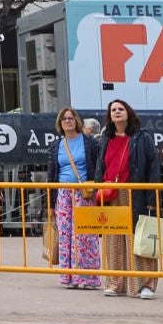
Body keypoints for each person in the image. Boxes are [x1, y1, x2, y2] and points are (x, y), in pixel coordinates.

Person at [96, 99, 160, 299]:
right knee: (113, 241)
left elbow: (153, 167)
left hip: (136, 193)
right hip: (111, 194)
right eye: (113, 109)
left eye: (120, 109)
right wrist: (98, 193)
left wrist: (151, 199)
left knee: (139, 239)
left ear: (128, 112)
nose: (117, 112)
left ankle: (145, 285)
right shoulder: (106, 138)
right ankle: (115, 283)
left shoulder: (142, 137)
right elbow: (100, 166)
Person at [50, 108, 101, 291]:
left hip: (83, 192)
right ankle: (68, 276)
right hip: (63, 193)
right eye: (64, 119)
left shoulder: (89, 143)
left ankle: (88, 277)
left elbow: (97, 166)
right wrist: (50, 203)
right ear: (60, 122)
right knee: (65, 235)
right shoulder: (57, 145)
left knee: (85, 236)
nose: (67, 121)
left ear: (77, 121)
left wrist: (96, 188)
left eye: (71, 118)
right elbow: (52, 173)